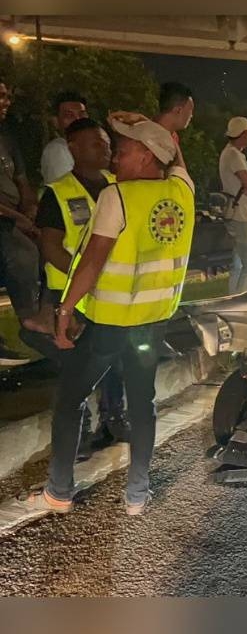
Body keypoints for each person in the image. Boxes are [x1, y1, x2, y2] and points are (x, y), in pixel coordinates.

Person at [25, 113, 196, 516]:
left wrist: (64, 309)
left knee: (69, 401)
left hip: (110, 325)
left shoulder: (117, 197)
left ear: (147, 156)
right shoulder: (184, 190)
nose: (114, 158)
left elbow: (91, 264)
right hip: (153, 322)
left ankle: (59, 492)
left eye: (123, 151)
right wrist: (152, 127)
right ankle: (137, 495)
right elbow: (178, 163)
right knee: (143, 403)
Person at [31, 117, 128, 449]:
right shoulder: (58, 194)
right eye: (96, 143)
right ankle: (82, 428)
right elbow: (50, 246)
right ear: (72, 147)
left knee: (115, 355)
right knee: (78, 364)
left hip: (113, 291)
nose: (105, 149)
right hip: (70, 292)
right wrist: (83, 276)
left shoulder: (119, 185)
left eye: (106, 143)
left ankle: (114, 416)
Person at [0, 77, 47, 364]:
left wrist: (31, 209)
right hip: (5, 222)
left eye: (6, 95)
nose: (6, 102)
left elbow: (22, 181)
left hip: (16, 218)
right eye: (0, 96)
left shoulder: (7, 138)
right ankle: (29, 320)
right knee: (23, 253)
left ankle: (53, 315)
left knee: (51, 244)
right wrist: (21, 220)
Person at [218, 116, 247, 294]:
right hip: (242, 214)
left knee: (238, 264)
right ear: (245, 134)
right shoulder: (235, 155)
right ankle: (241, 303)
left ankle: (232, 301)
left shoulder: (227, 152)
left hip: (234, 212)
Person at [40, 91, 89, 183]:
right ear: (56, 121)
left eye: (82, 114)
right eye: (69, 115)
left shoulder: (92, 148)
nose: (78, 120)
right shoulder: (58, 150)